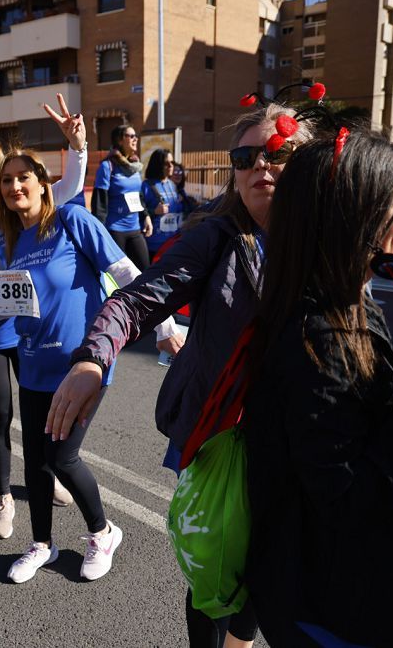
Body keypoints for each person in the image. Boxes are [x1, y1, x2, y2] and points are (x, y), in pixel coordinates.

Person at [48, 102, 315, 647]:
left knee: (271, 563)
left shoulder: (328, 241)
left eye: (278, 153)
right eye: (245, 157)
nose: (260, 166)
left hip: (299, 438)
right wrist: (92, 358)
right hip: (220, 431)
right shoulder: (215, 236)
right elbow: (136, 301)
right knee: (213, 560)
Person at [241, 129, 393, 646]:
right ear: (355, 216)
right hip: (336, 619)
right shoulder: (316, 340)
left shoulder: (351, 307)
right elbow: (347, 502)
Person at [0, 149, 179, 584]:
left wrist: (165, 328)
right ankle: (42, 545)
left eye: (22, 178)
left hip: (83, 364)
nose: (13, 187)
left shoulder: (73, 221)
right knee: (35, 463)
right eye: (6, 180)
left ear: (42, 183)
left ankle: (102, 532)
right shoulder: (14, 242)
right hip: (33, 364)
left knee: (64, 457)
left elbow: (127, 274)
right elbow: (10, 303)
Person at [0, 94, 91, 538]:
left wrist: (78, 149)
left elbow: (64, 192)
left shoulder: (14, 209)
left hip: (26, 330)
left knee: (43, 422)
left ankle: (45, 480)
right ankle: (4, 498)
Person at [90, 125, 152, 270]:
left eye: (135, 135)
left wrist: (146, 216)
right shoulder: (107, 166)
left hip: (135, 228)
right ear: (119, 140)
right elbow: (99, 203)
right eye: (130, 136)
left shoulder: (135, 166)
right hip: (115, 231)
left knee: (145, 271)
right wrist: (100, 233)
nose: (135, 139)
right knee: (119, 276)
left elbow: (139, 195)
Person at [141, 149, 188, 256]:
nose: (171, 166)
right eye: (167, 163)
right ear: (158, 165)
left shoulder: (172, 185)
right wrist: (154, 211)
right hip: (154, 245)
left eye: (172, 162)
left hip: (173, 243)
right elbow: (138, 214)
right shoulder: (146, 186)